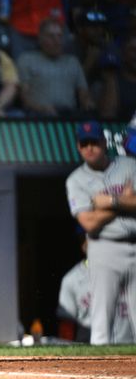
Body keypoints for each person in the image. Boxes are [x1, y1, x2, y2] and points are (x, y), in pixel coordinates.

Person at [65, 120, 136, 345]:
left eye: (94, 142)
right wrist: (123, 202)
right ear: (78, 146)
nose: (89, 148)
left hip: (134, 242)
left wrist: (108, 202)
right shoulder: (75, 179)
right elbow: (88, 223)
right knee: (101, 317)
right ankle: (98, 371)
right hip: (103, 246)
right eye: (84, 144)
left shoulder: (129, 166)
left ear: (104, 142)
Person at [17, 18, 94, 117]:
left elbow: (83, 93)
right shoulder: (26, 59)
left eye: (59, 36)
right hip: (38, 115)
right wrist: (42, 108)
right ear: (40, 38)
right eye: (51, 36)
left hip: (70, 116)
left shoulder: (72, 62)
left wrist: (87, 102)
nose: (57, 41)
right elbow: (24, 97)